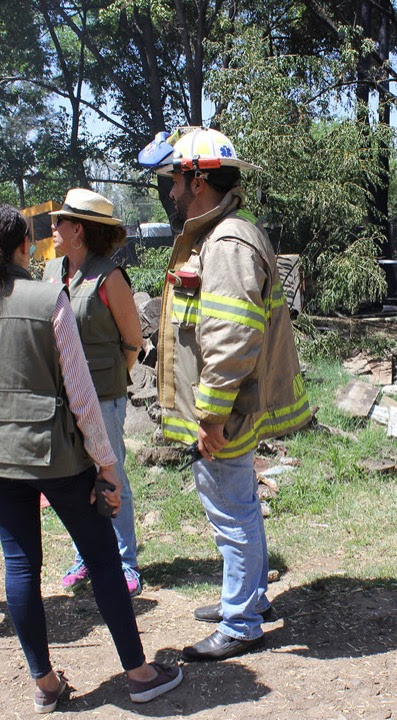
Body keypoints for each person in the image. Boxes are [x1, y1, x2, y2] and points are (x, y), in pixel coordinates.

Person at [0, 204, 182, 712]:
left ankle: (45, 684)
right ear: (23, 249)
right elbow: (80, 393)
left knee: (19, 564)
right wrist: (107, 465)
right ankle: (139, 674)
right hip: (55, 453)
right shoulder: (48, 296)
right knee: (102, 558)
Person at [137, 127, 312, 661]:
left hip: (225, 410)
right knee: (239, 505)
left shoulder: (228, 242)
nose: (169, 192)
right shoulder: (218, 234)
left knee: (229, 509)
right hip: (228, 404)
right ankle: (249, 600)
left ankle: (240, 622)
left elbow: (232, 338)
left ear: (198, 179)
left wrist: (210, 416)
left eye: (174, 181)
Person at [43, 189, 144, 597]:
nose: (53, 228)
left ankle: (124, 561)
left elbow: (133, 343)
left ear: (78, 231)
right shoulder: (52, 272)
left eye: (60, 222)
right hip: (63, 398)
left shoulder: (110, 277)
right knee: (74, 478)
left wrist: (109, 379)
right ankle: (86, 555)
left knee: (111, 474)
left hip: (103, 396)